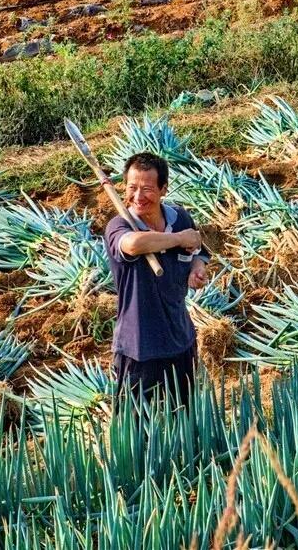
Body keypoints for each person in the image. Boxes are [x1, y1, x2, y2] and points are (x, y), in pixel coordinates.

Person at [103, 152, 210, 408]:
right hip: (139, 347)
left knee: (184, 416)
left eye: (147, 189)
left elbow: (199, 251)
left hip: (180, 339)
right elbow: (133, 245)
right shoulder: (120, 226)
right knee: (137, 429)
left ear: (163, 188)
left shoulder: (179, 218)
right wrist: (179, 239)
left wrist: (197, 268)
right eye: (132, 188)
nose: (138, 196)